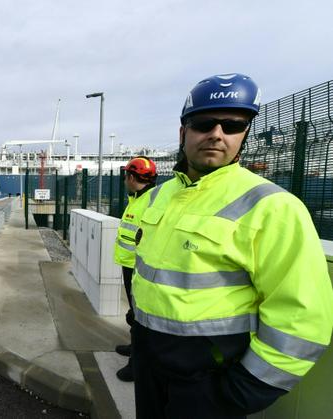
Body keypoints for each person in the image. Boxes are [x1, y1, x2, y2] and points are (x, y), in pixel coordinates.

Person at [131, 73, 333, 418]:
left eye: (232, 125)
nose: (216, 133)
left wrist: (240, 391)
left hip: (209, 382)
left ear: (245, 134)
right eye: (203, 123)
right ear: (183, 133)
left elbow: (302, 317)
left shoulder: (273, 207)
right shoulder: (158, 196)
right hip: (149, 364)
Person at [113, 156, 157, 382]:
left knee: (139, 318)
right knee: (134, 313)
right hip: (130, 264)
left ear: (131, 178)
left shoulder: (149, 201)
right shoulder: (139, 198)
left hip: (139, 268)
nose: (125, 181)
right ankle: (134, 347)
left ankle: (136, 365)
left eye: (126, 177)